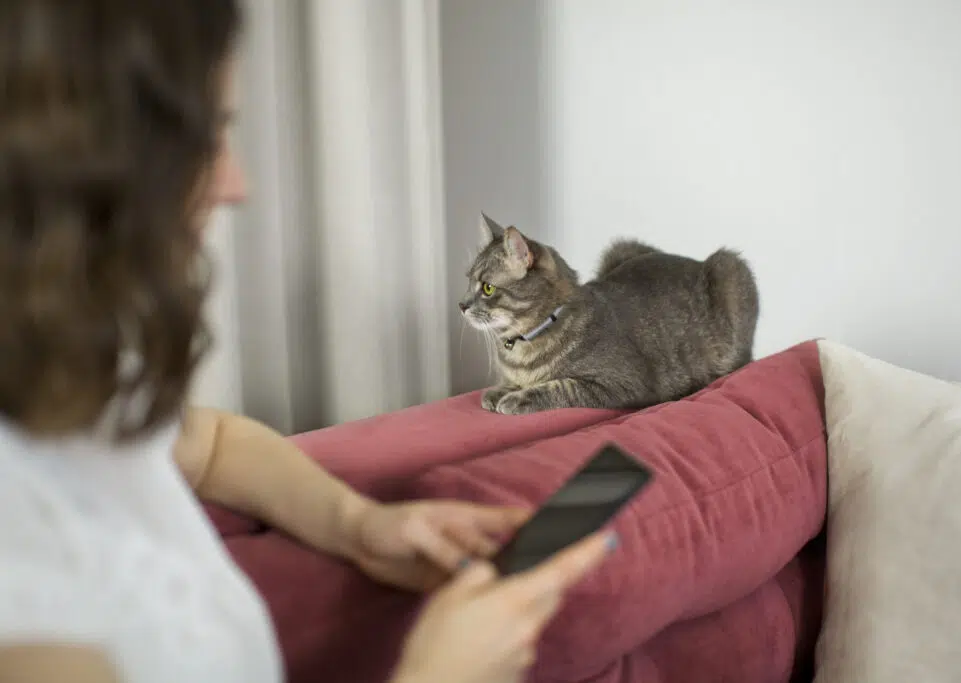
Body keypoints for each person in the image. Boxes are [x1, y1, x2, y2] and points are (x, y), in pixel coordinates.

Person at [0, 1, 615, 682]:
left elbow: (212, 445)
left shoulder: (60, 380)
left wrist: (360, 526)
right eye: (204, 139)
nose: (237, 185)